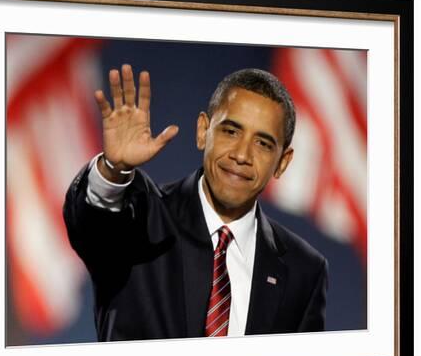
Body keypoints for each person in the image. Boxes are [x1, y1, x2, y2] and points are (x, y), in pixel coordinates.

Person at [63, 64, 328, 341]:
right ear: (203, 131)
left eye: (262, 143)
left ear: (282, 163)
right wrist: (113, 170)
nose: (241, 155)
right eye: (231, 132)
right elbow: (92, 222)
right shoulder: (139, 218)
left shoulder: (305, 270)